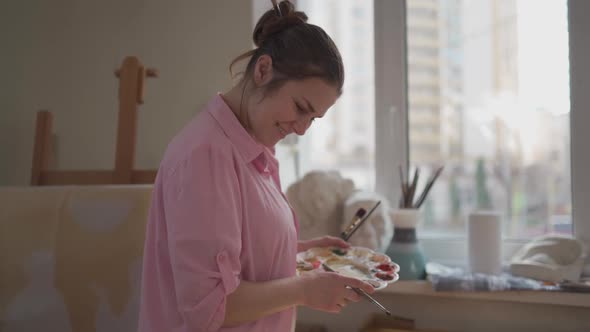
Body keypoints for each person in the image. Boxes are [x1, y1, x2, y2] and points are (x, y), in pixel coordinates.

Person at [138, 1, 375, 331]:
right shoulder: (206, 156)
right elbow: (208, 308)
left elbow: (239, 255)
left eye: (314, 118)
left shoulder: (256, 151)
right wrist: (305, 290)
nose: (303, 128)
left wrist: (297, 253)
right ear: (263, 70)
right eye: (300, 107)